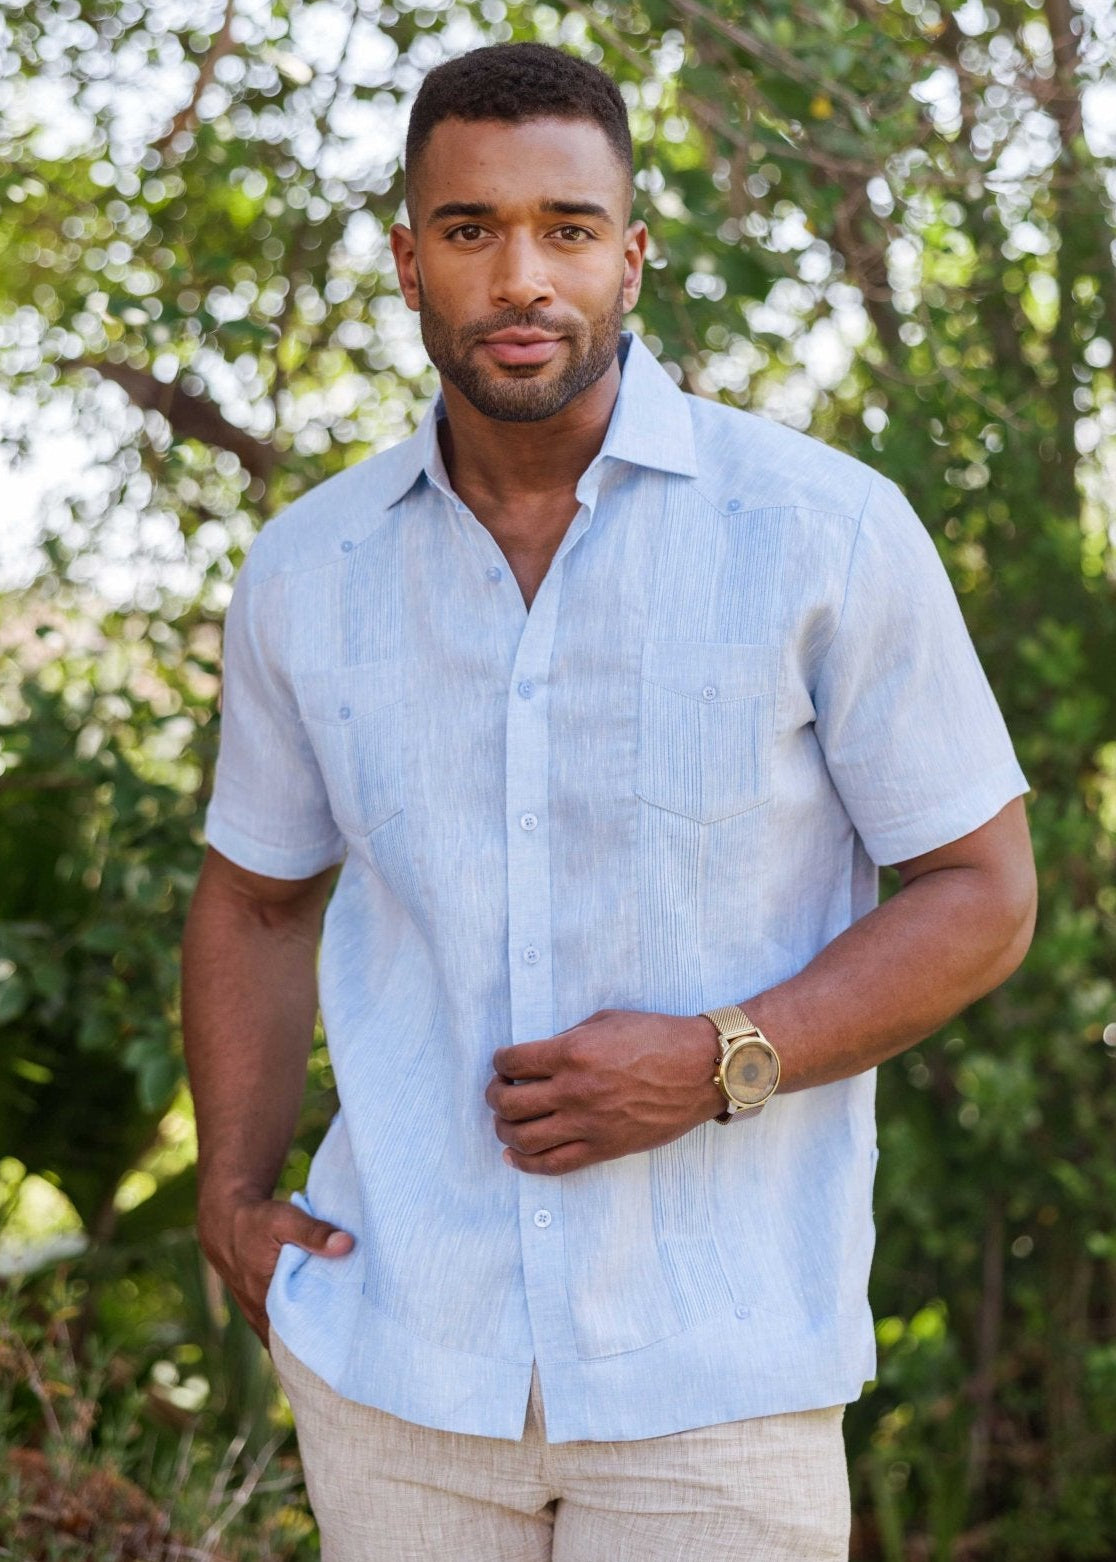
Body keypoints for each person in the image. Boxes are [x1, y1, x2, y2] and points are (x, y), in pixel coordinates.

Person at [181, 40, 1036, 1562]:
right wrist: (232, 1194)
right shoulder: (309, 571)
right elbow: (254, 898)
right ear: (408, 261)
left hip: (718, 1381)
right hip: (397, 1367)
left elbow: (984, 892)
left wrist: (720, 1061)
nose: (522, 276)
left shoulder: (823, 532)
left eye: (566, 228)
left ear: (630, 259)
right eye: (471, 228)